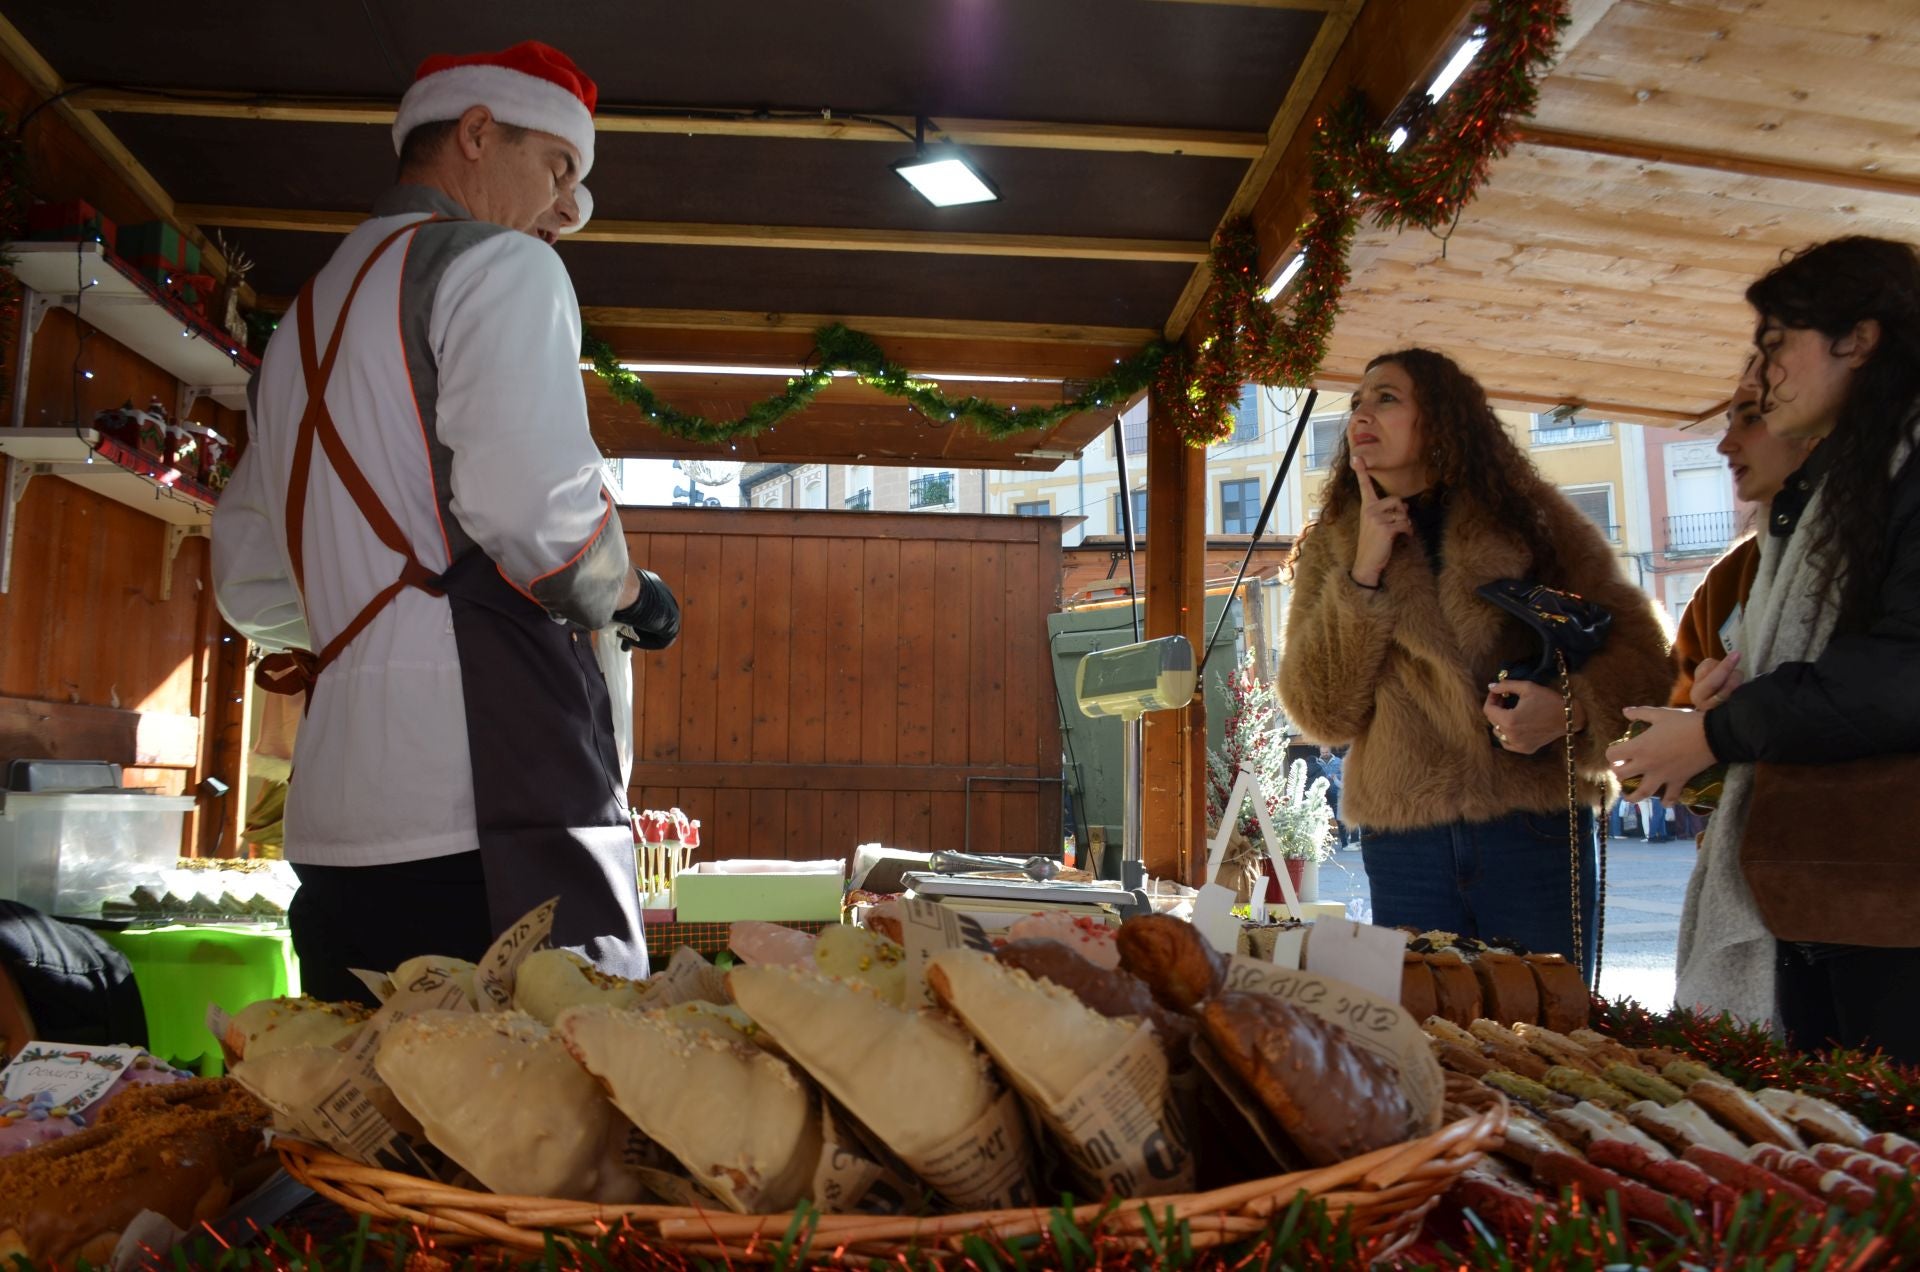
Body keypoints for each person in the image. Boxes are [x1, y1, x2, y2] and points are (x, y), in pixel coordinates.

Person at [214, 42, 679, 1004]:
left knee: (369, 1121)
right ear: (475, 132)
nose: (567, 211)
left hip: (339, 830)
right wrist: (635, 596)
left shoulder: (300, 320)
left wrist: (378, 622)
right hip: (487, 814)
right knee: (531, 1127)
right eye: (560, 169)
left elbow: (252, 583)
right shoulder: (498, 266)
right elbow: (536, 515)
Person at [1610, 236, 1920, 1060]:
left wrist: (1716, 731)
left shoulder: (1899, 473)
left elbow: (1899, 677)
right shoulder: (1847, 487)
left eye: (1775, 343)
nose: (1760, 375)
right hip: (1833, 892)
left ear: (1858, 338)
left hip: (1887, 905)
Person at [1279, 349, 1673, 976]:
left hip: (1534, 826)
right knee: (1430, 1040)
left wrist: (1569, 711)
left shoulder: (1531, 519)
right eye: (1355, 402)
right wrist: (1364, 574)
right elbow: (1322, 712)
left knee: (1548, 1033)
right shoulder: (1337, 539)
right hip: (1405, 839)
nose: (1360, 414)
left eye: (1386, 398)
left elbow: (1642, 655)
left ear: (1441, 418)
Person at [1657, 359, 1816, 1027]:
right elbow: (1663, 751)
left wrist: (1715, 730)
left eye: (1749, 418)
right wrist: (1692, 731)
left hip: (1858, 894)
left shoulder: (1880, 549)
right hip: (1751, 881)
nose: (1726, 444)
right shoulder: (1726, 584)